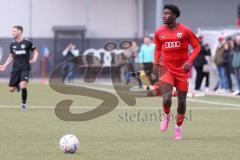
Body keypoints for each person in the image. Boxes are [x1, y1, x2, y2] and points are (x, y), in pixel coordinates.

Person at [152, 4, 200, 140]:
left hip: (182, 71)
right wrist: (155, 63)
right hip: (166, 69)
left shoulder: (185, 31)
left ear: (174, 16)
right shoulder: (159, 32)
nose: (164, 16)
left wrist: (189, 61)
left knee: (182, 102)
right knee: (167, 99)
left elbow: (197, 47)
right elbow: (157, 48)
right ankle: (166, 115)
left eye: (167, 13)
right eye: (163, 13)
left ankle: (178, 127)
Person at [0, 26, 39, 110]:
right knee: (11, 89)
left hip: (25, 68)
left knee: (23, 84)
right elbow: (11, 56)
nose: (12, 33)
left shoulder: (28, 43)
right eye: (12, 31)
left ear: (20, 32)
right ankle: (17, 85)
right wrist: (5, 65)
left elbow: (35, 51)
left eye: (14, 31)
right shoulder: (12, 45)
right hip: (15, 69)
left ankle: (23, 104)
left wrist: (34, 58)